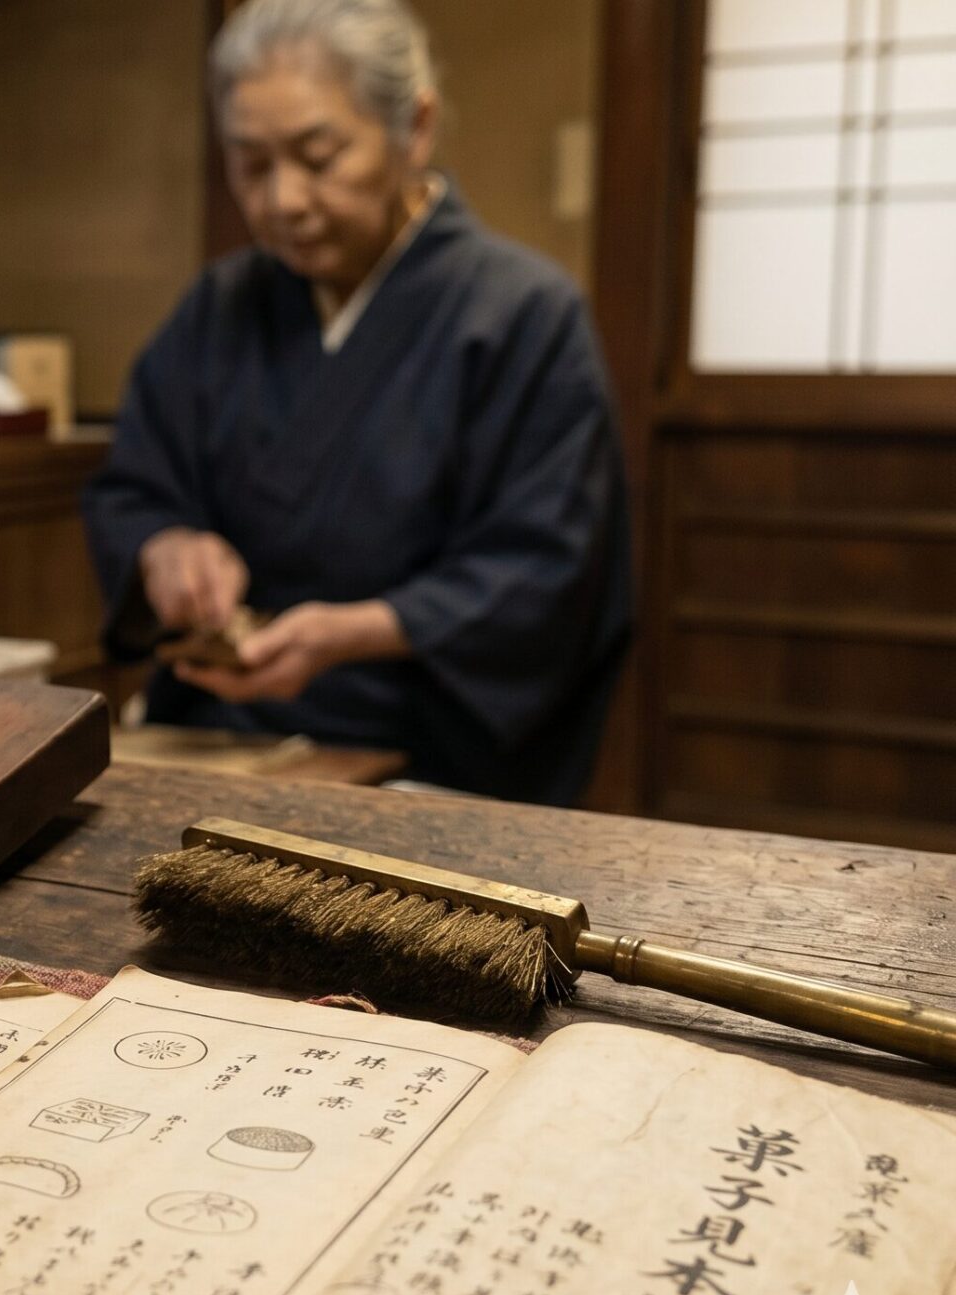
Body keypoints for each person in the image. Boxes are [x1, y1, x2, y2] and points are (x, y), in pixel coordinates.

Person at [82, 0, 630, 805]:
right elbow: (134, 485)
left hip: (425, 750)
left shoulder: (524, 316)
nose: (283, 200)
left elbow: (545, 571)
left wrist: (352, 633)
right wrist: (165, 549)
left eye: (319, 156)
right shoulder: (219, 307)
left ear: (415, 127)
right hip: (215, 732)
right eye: (251, 165)